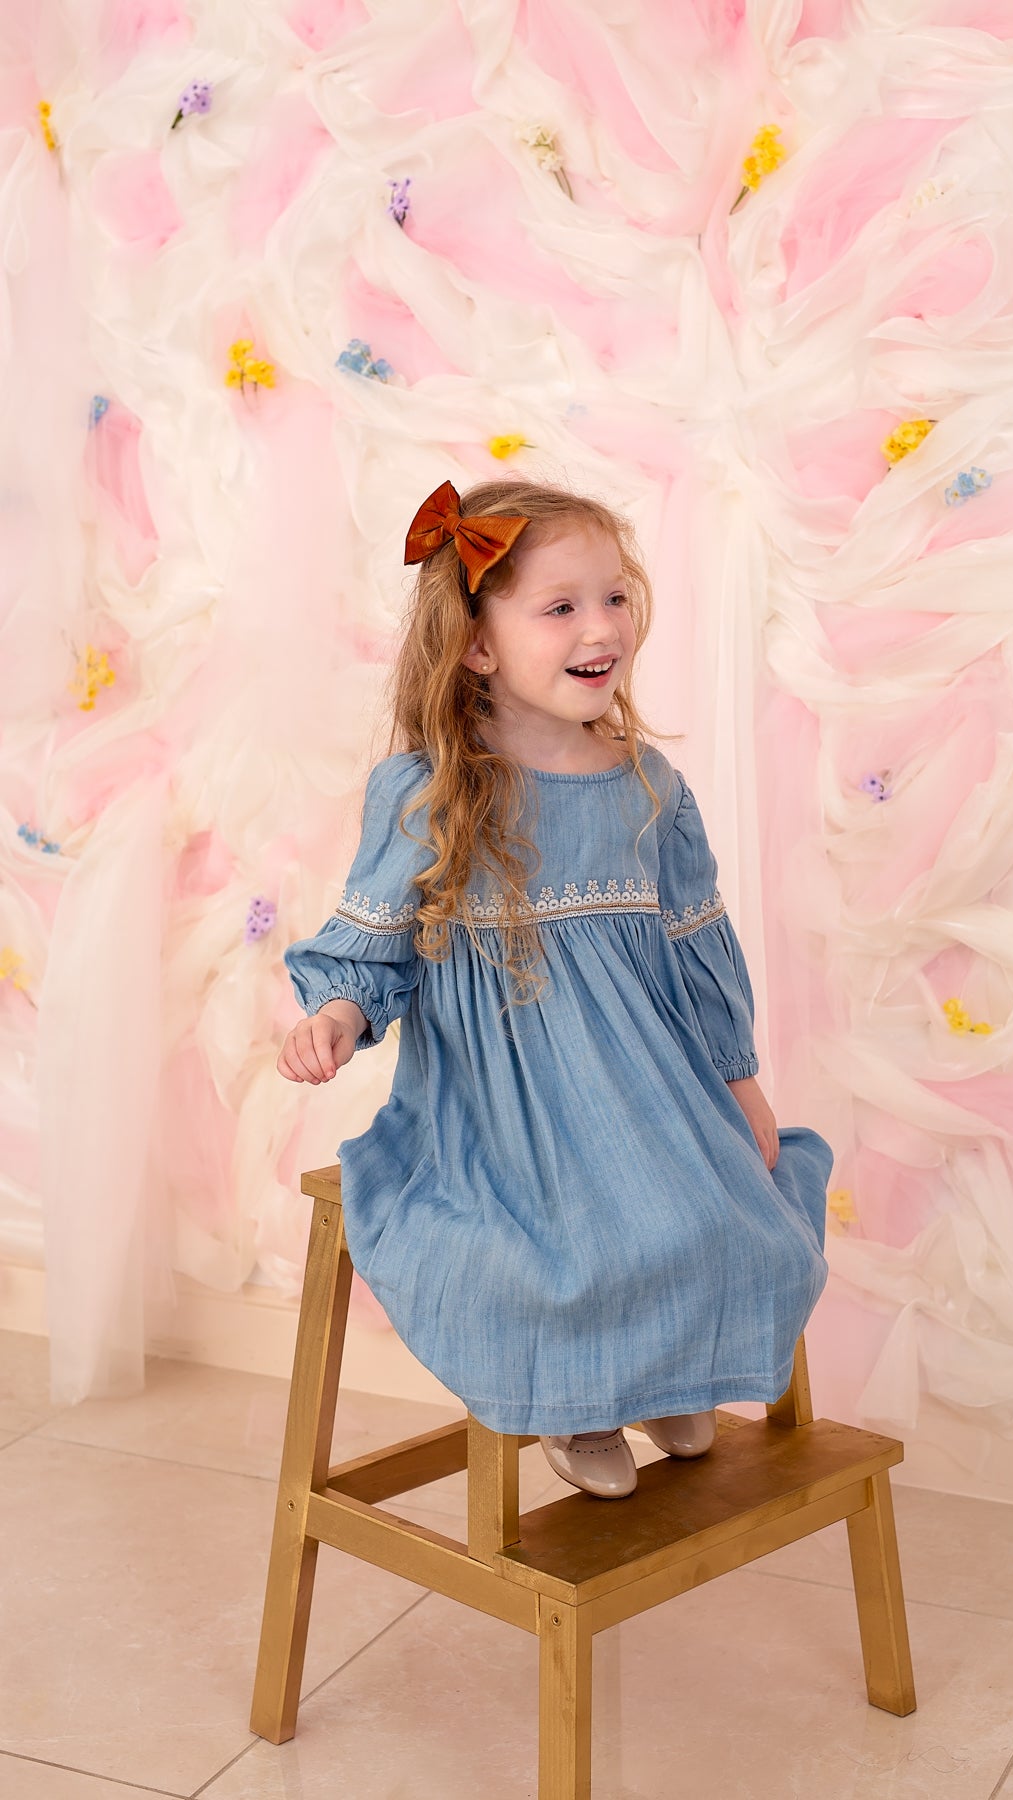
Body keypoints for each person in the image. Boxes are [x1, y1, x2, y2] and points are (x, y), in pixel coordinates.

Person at [278, 476, 832, 1499]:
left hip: (648, 1087)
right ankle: (579, 1407)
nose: (601, 626)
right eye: (561, 606)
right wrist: (339, 1012)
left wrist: (739, 1081)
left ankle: (673, 1370)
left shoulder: (647, 786)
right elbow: (376, 940)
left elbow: (697, 945)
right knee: (571, 1246)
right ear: (478, 646)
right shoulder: (431, 791)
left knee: (723, 1217)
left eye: (615, 597)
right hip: (506, 1104)